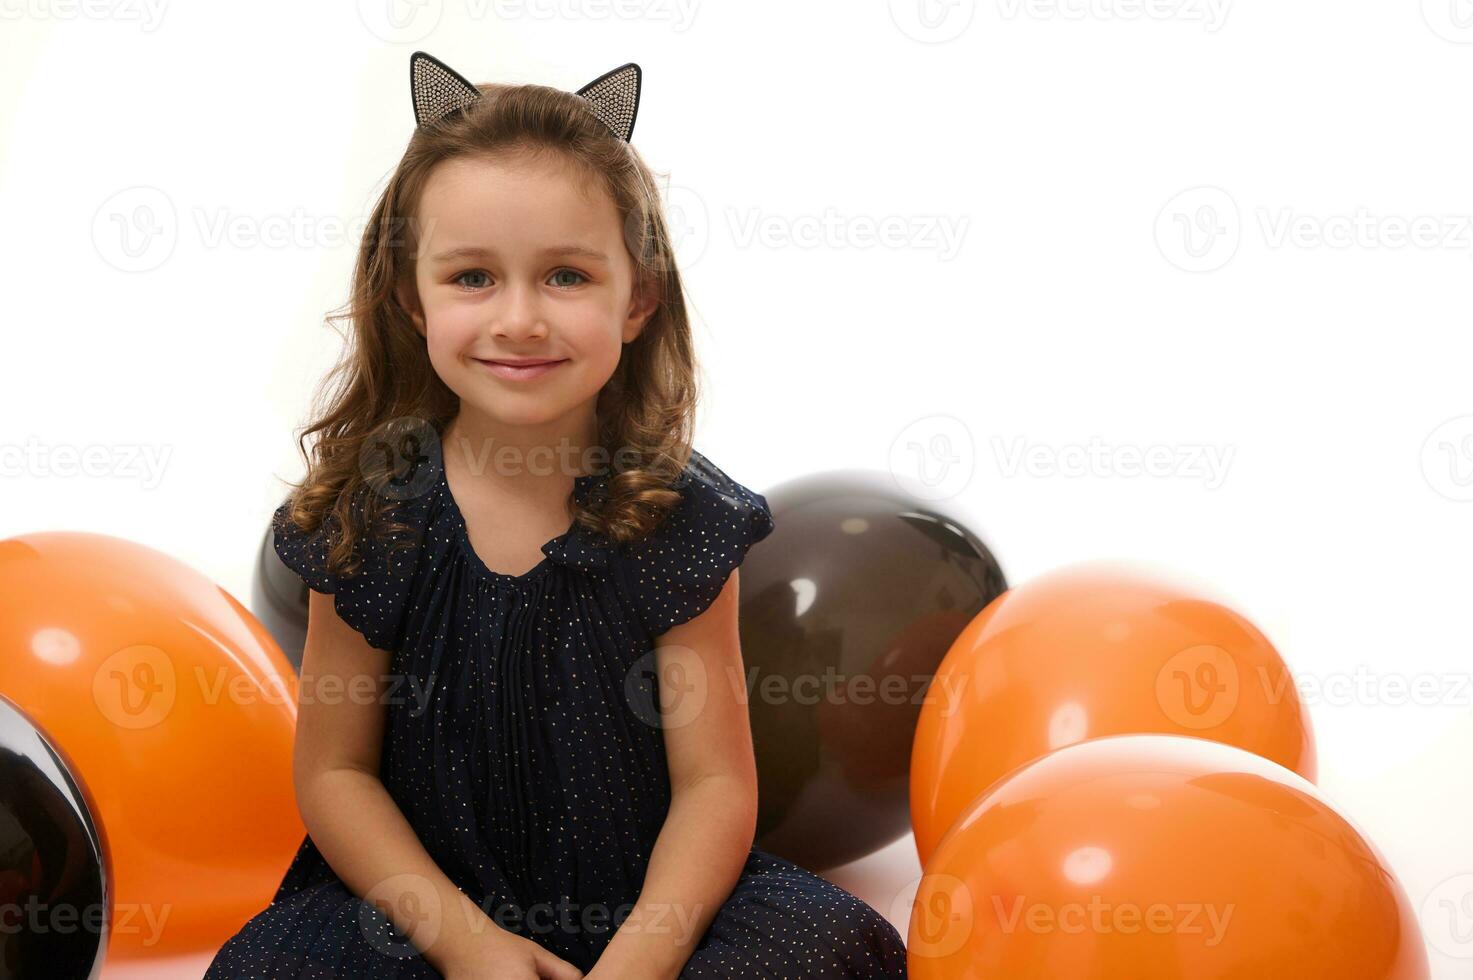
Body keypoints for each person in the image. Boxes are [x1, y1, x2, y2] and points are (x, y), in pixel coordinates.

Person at [204, 52, 909, 979]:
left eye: (567, 276)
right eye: (472, 279)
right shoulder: (373, 511)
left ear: (638, 298)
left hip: (646, 902)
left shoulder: (680, 517)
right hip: (430, 910)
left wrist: (640, 962)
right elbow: (335, 774)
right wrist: (469, 947)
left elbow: (714, 784)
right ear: (411, 298)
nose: (521, 319)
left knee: (826, 951)